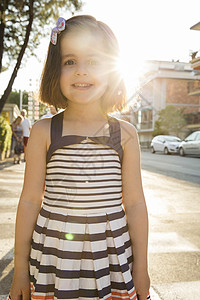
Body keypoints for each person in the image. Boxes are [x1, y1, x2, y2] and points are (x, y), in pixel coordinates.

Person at [9, 15, 151, 300]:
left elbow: (134, 203)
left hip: (111, 258)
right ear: (54, 70)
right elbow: (29, 200)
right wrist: (20, 269)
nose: (81, 71)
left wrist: (142, 268)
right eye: (69, 61)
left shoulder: (125, 133)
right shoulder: (44, 130)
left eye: (94, 62)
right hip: (55, 257)